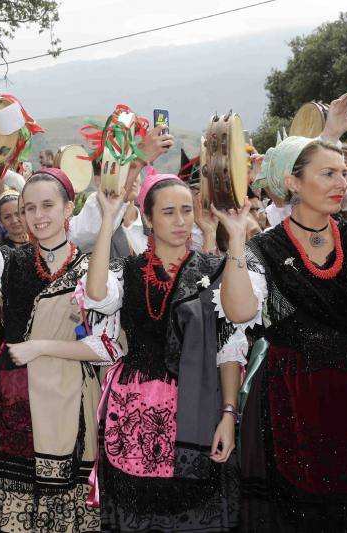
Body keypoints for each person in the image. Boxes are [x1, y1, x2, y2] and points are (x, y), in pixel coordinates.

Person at [0, 159, 124, 532]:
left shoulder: (92, 271)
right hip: (12, 398)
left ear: (68, 208)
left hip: (68, 400)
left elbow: (109, 347)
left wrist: (42, 346)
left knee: (61, 508)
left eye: (47, 205)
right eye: (28, 208)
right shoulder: (11, 261)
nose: (36, 216)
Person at [220, 136, 347, 531]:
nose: (341, 181)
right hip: (292, 405)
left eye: (343, 172)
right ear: (293, 182)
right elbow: (240, 311)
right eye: (327, 173)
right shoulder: (264, 248)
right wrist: (237, 237)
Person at [83, 167, 244, 532]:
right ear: (149, 218)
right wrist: (108, 218)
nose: (181, 221)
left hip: (199, 407)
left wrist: (229, 414)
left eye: (187, 210)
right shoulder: (127, 270)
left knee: (192, 513)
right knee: (137, 514)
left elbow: (228, 348)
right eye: (169, 212)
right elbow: (96, 294)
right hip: (133, 413)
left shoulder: (214, 270)